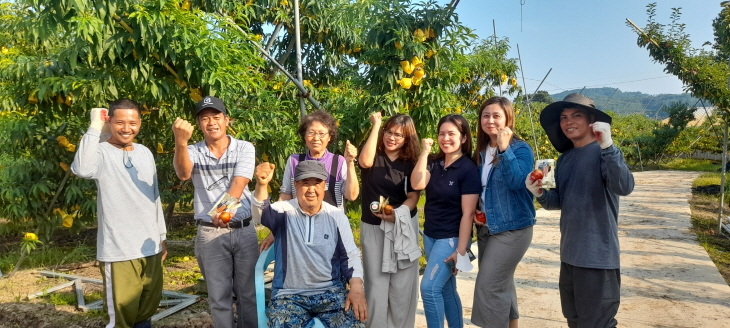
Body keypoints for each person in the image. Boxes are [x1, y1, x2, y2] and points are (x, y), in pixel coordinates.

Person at [526, 93, 634, 328]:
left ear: (592, 120)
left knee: (597, 323)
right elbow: (561, 201)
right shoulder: (565, 159)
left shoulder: (605, 152)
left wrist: (609, 145)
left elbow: (624, 186)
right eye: (564, 117)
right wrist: (539, 193)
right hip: (569, 256)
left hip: (597, 258)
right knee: (574, 320)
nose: (568, 122)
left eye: (576, 115)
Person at [71, 99, 167, 328]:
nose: (127, 128)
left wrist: (161, 237)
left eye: (132, 122)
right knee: (121, 318)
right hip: (120, 251)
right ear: (110, 122)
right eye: (120, 122)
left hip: (150, 247)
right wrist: (95, 127)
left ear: (140, 123)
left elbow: (154, 198)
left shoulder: (145, 152)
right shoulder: (101, 152)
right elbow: (81, 169)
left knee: (145, 311)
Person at [171, 96, 258, 328]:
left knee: (249, 295)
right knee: (219, 298)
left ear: (227, 120)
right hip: (210, 233)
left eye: (216, 117)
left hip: (243, 229)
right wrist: (180, 142)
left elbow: (239, 184)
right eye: (205, 118)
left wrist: (224, 211)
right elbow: (183, 174)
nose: (211, 122)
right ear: (199, 125)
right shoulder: (192, 150)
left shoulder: (245, 148)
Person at [251, 160, 367, 327]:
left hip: (331, 293)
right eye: (305, 183)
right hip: (288, 296)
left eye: (317, 183)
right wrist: (261, 185)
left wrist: (356, 289)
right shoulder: (283, 211)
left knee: (355, 323)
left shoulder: (336, 216)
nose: (312, 189)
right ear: (296, 185)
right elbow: (260, 214)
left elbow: (350, 255)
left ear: (324, 186)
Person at [470, 97, 535, 328]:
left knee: (488, 287)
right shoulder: (480, 151)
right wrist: (479, 205)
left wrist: (504, 149)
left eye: (496, 115)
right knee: (502, 284)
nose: (490, 120)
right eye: (485, 115)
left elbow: (518, 181)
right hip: (487, 228)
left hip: (513, 228)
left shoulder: (520, 148)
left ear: (508, 118)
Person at [411, 114, 481, 328]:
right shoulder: (433, 162)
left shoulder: (468, 170)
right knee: (447, 289)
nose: (445, 138)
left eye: (452, 134)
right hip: (431, 236)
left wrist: (461, 251)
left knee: (429, 289)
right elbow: (417, 184)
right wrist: (424, 152)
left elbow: (468, 214)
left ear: (463, 138)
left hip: (451, 239)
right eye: (442, 133)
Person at [260, 109, 358, 251]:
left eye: (321, 133)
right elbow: (286, 196)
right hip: (299, 230)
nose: (316, 138)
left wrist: (350, 163)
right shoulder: (294, 161)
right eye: (311, 133)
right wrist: (274, 230)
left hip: (332, 229)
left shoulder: (339, 162)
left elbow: (352, 195)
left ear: (329, 137)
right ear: (304, 136)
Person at [358, 112, 422, 328]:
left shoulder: (411, 162)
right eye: (389, 131)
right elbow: (364, 162)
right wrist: (376, 125)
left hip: (402, 226)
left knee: (402, 288)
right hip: (374, 227)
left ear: (407, 139)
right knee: (376, 287)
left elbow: (414, 195)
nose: (392, 137)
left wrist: (399, 214)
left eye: (399, 135)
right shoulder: (372, 153)